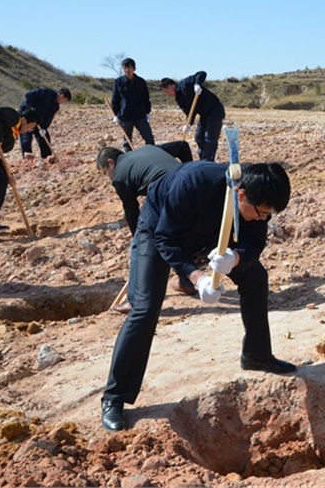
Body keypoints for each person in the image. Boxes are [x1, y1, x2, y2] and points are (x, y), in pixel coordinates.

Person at [100, 160, 296, 431]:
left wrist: (235, 258)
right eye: (262, 213)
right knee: (145, 308)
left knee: (256, 278)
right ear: (241, 195)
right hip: (159, 229)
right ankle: (114, 398)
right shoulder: (193, 182)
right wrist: (198, 278)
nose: (263, 219)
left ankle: (257, 354)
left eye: (269, 215)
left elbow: (254, 243)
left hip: (211, 231)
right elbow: (167, 239)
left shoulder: (255, 202)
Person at [95, 143, 197, 311]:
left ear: (111, 162)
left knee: (139, 245)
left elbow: (131, 211)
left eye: (106, 173)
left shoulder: (120, 177)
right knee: (175, 236)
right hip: (191, 185)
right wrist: (189, 166)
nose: (109, 178)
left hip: (167, 191)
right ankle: (186, 282)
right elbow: (182, 146)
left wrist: (139, 239)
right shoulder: (149, 149)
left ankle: (134, 300)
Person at [0, 106, 39, 235]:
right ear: (24, 120)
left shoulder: (12, 132)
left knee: (2, 178)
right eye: (31, 126)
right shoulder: (13, 117)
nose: (29, 131)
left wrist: (7, 172)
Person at [160, 71, 225, 161]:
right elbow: (190, 112)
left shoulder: (185, 84)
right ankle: (203, 158)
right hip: (204, 115)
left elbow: (201, 73)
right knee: (199, 137)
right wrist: (188, 124)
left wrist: (197, 84)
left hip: (215, 110)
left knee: (209, 138)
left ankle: (208, 161)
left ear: (171, 86)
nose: (167, 94)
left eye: (166, 91)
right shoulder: (179, 99)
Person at [110, 58, 154, 151]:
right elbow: (115, 100)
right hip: (125, 116)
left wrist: (147, 112)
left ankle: (151, 156)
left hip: (140, 115)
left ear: (134, 68)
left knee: (149, 139)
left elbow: (146, 98)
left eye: (129, 67)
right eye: (125, 68)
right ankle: (129, 160)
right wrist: (116, 115)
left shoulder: (141, 82)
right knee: (127, 142)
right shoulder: (118, 82)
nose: (127, 70)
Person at [19, 87, 71, 163]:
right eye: (65, 100)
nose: (63, 102)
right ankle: (27, 156)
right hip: (27, 115)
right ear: (62, 95)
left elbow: (49, 118)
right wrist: (29, 109)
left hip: (38, 120)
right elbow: (29, 95)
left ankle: (47, 157)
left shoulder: (55, 106)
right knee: (26, 134)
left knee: (44, 136)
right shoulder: (46, 92)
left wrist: (44, 128)